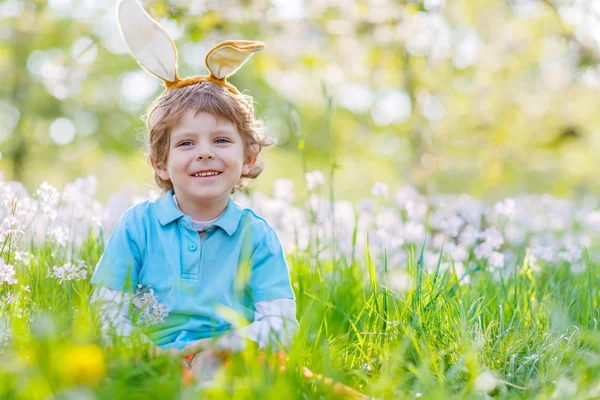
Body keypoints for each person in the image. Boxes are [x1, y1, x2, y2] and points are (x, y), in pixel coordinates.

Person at [91, 0, 298, 378]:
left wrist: (221, 347)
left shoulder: (257, 235)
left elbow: (281, 322)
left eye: (221, 141)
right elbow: (106, 311)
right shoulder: (137, 227)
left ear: (249, 157)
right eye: (186, 144)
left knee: (266, 370)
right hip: (151, 358)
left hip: (228, 357)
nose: (204, 153)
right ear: (160, 163)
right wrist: (150, 351)